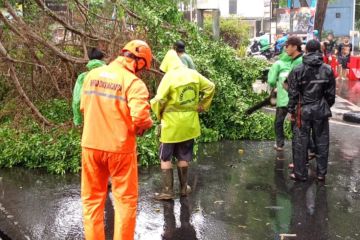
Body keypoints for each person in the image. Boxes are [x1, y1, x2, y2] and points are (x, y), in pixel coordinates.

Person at [80, 40, 153, 240]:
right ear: (138, 62)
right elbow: (140, 118)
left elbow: (83, 107)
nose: (142, 72)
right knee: (125, 201)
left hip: (91, 146)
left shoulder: (91, 76)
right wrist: (145, 126)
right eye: (143, 67)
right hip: (120, 149)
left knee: (92, 200)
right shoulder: (133, 83)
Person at [151, 49, 215, 200]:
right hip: (189, 124)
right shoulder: (193, 74)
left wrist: (158, 113)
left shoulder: (169, 77)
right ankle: (184, 188)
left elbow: (159, 99)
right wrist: (202, 105)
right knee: (184, 156)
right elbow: (211, 87)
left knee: (165, 158)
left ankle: (167, 191)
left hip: (171, 125)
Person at [287, 40, 336, 181]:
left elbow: (293, 93)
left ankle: (300, 174)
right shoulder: (327, 69)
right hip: (321, 110)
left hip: (303, 111)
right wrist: (324, 105)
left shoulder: (297, 70)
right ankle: (321, 173)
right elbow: (331, 95)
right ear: (319, 50)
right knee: (322, 142)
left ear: (306, 50)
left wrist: (291, 110)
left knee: (300, 142)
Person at [269, 36, 303, 151]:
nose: (286, 49)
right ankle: (300, 149)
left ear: (294, 47)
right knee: (295, 125)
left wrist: (277, 87)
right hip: (297, 100)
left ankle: (280, 144)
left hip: (285, 99)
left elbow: (272, 81)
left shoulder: (278, 63)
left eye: (287, 46)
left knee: (279, 122)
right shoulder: (297, 61)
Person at [72, 48, 106, 126]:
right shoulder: (112, 74)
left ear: (89, 59)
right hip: (109, 116)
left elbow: (77, 100)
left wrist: (78, 120)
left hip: (89, 115)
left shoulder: (83, 77)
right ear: (102, 59)